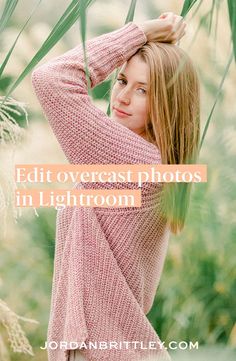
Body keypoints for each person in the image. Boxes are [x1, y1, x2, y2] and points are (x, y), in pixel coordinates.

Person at [31, 11, 200, 361]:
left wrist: (140, 31)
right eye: (122, 81)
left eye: (143, 90)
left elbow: (53, 78)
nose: (121, 98)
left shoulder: (135, 163)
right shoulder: (156, 163)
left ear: (167, 105)